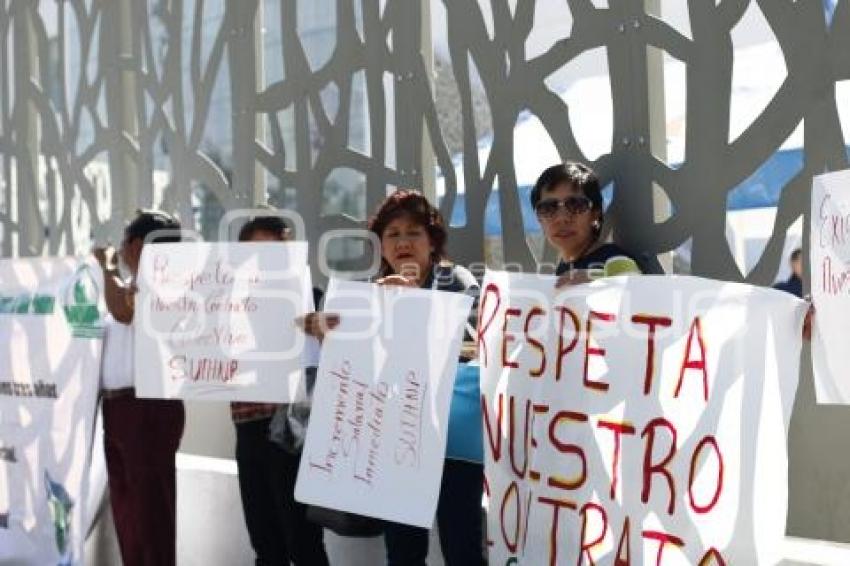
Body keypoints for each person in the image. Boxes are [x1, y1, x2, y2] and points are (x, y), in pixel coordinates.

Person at [299, 190, 484, 566]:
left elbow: (473, 343)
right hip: (394, 445)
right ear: (380, 245)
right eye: (392, 233)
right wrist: (324, 329)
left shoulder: (458, 282)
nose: (402, 242)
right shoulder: (365, 295)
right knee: (402, 552)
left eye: (414, 232)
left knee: (462, 547)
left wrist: (416, 303)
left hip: (452, 444)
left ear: (433, 242)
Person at [231, 214, 329, 566]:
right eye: (257, 252)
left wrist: (321, 331)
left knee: (302, 541)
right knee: (264, 541)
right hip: (247, 428)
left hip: (294, 430)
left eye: (278, 251)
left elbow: (340, 358)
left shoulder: (311, 299)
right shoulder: (225, 304)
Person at [93, 210, 185, 566]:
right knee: (127, 511)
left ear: (136, 246)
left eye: (123, 244)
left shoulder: (165, 287)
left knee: (151, 515)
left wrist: (106, 267)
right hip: (117, 408)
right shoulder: (123, 288)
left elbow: (123, 312)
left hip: (149, 406)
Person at [529, 162, 643, 283]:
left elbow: (636, 291)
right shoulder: (562, 270)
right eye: (548, 208)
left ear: (595, 213)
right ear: (539, 219)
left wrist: (595, 278)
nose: (562, 218)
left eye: (575, 205)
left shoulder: (614, 259)